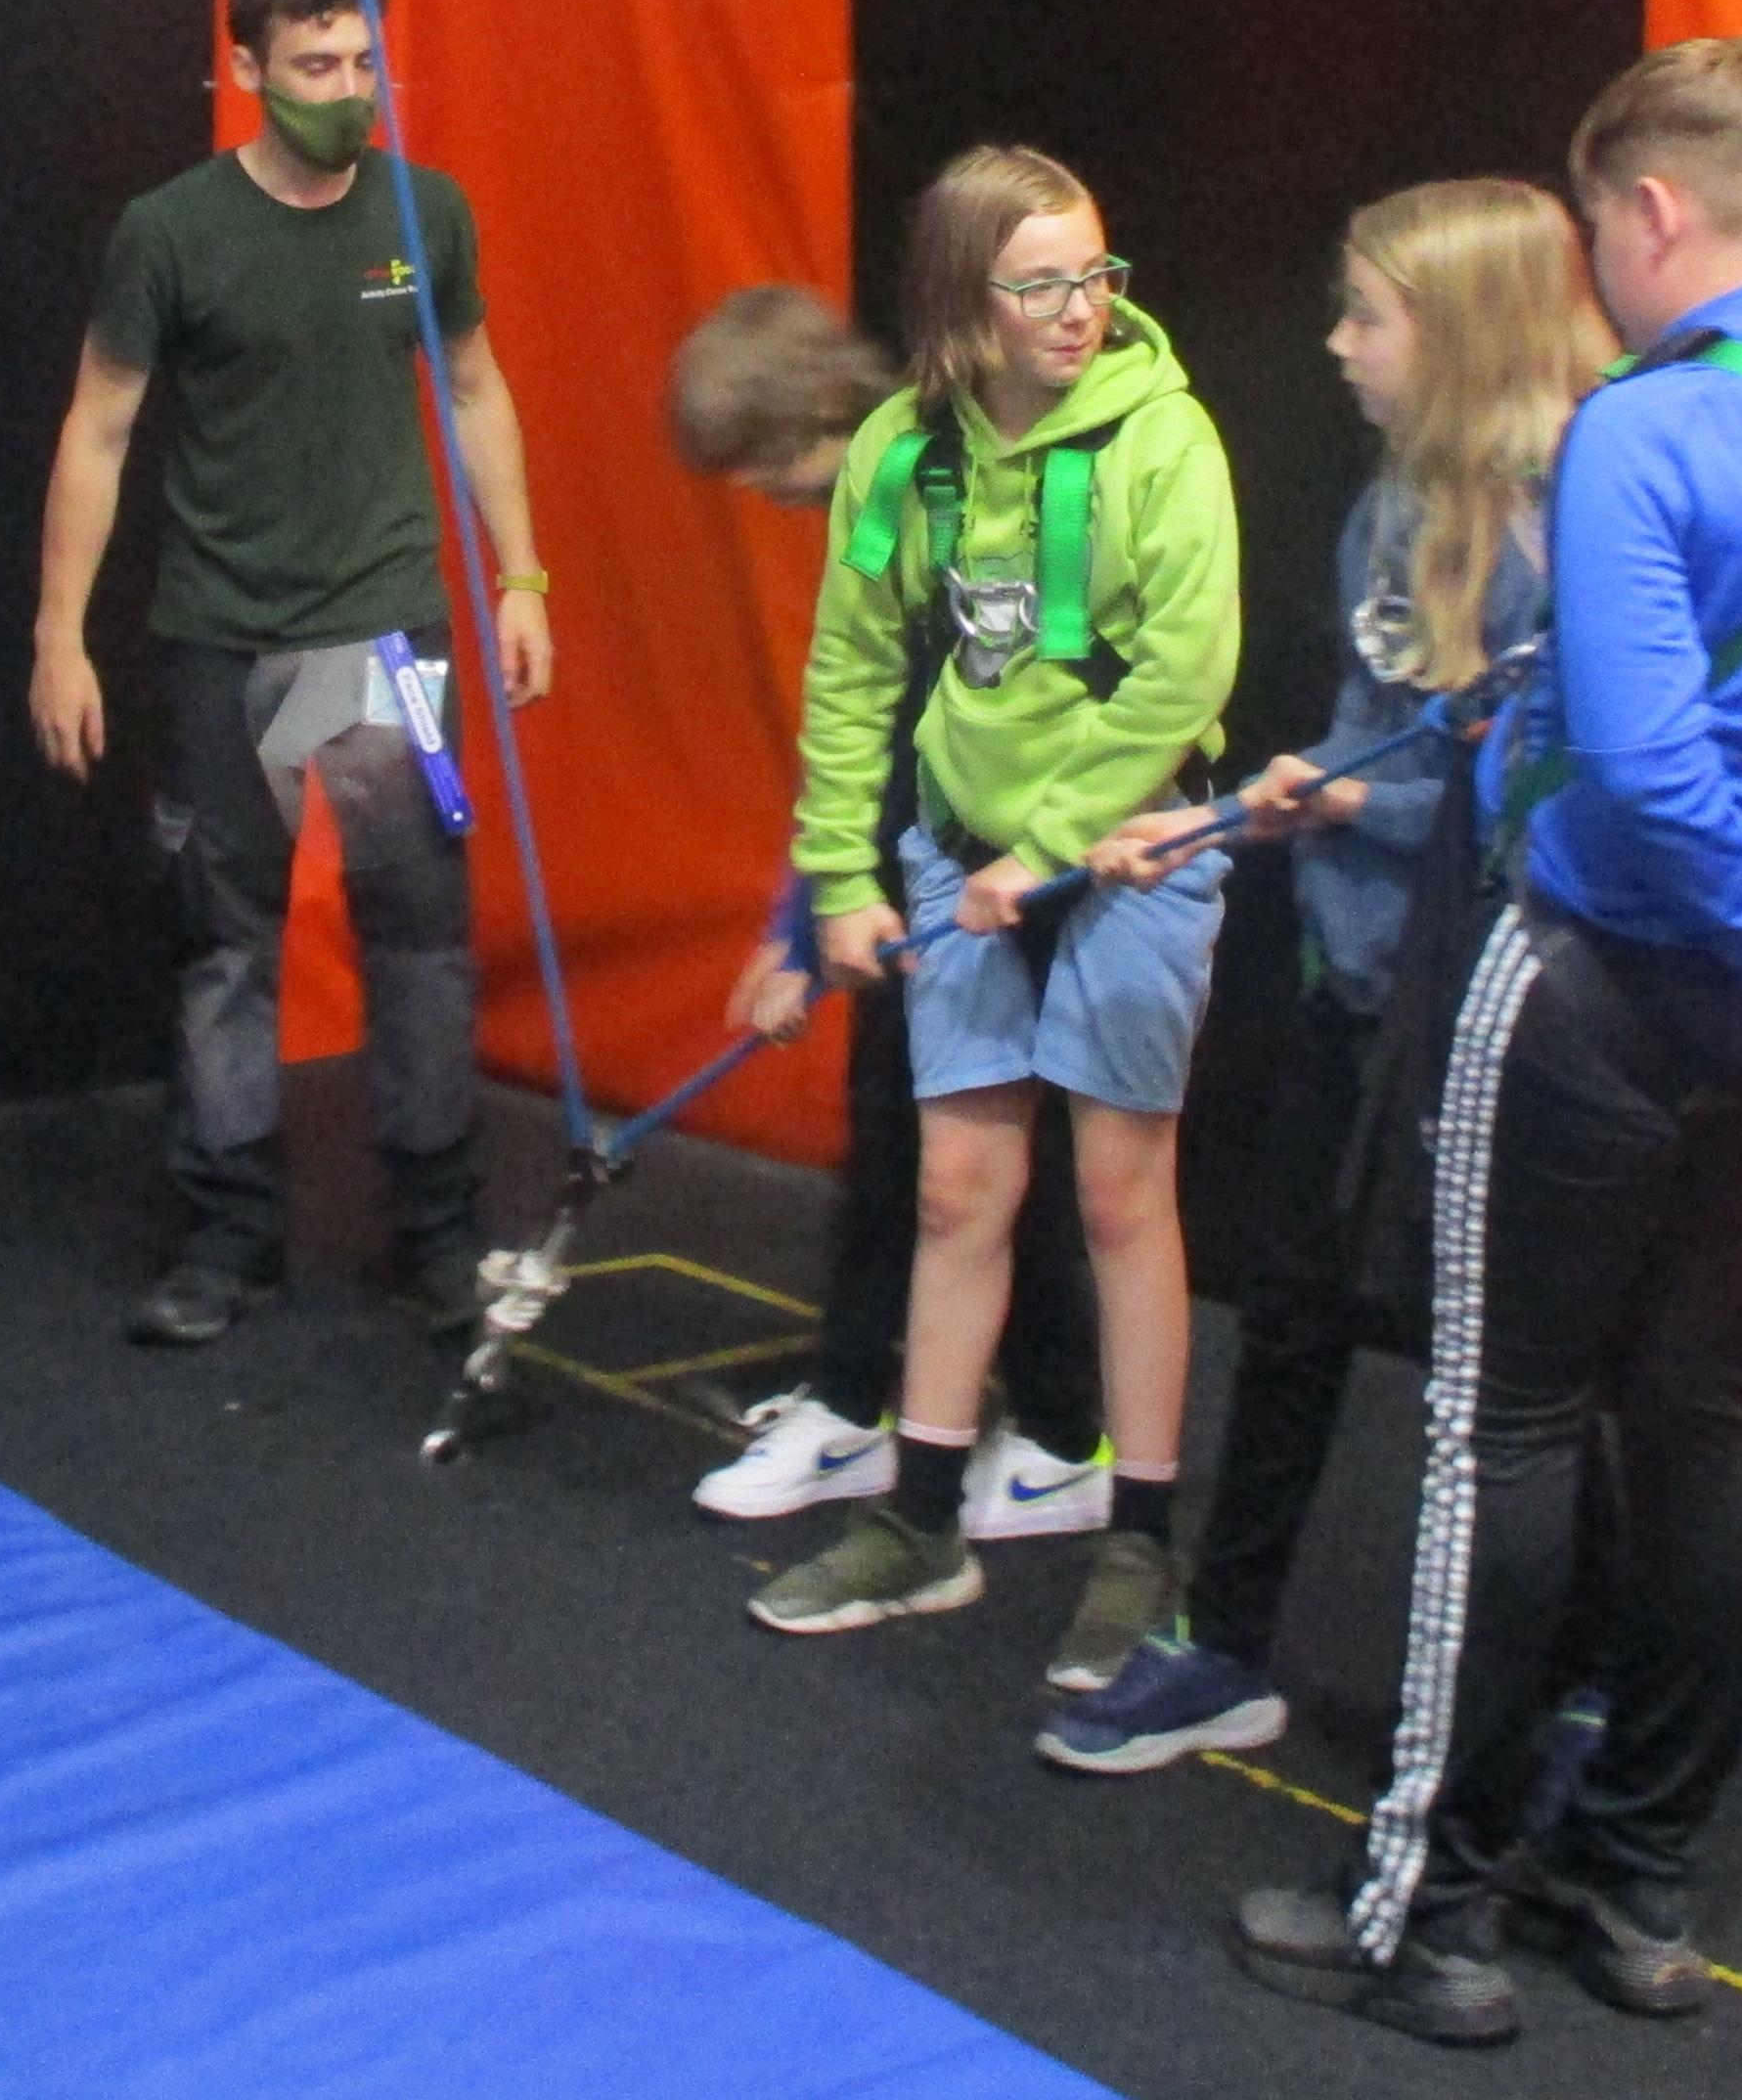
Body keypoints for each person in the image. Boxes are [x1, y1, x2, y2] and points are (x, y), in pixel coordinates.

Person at [1235, 42, 1742, 2049]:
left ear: (1653, 209)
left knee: (1496, 1428)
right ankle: (1636, 1882)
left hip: (1597, 986)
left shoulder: (1643, 432)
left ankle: (1427, 1913)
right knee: (1702, 1421)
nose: (1593, 258)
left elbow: (1653, 768)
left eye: (1598, 222)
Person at [1040, 178, 1596, 1777]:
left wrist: (1361, 806)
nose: (1338, 344)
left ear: (1462, 332)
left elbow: (1550, 797)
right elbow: (1373, 731)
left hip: (1493, 1013)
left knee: (1510, 1380)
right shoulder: (1390, 508)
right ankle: (1223, 1644)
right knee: (1289, 1311)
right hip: (1350, 984)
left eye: (1368, 316)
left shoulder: (1574, 528)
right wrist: (1264, 808)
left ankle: (1552, 1699)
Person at [746, 151, 1240, 1730]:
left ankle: (1139, 1535)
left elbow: (1185, 671)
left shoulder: (1163, 436)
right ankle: (920, 1518)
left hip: (1129, 858)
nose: (1079, 308)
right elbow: (851, 666)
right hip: (958, 860)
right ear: (966, 299)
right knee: (957, 1187)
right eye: (1040, 284)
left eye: (1095, 273)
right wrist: (841, 872)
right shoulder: (903, 453)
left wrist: (1049, 849)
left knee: (1118, 1193)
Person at [33, 0, 555, 1350]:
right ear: (247, 70)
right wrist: (57, 635)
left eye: (364, 62)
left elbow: (475, 387)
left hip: (387, 635)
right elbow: (97, 430)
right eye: (317, 66)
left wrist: (521, 575)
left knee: (421, 937)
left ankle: (439, 1235)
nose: (347, 89)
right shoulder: (171, 232)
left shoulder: (423, 212)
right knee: (226, 944)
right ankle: (228, 1237)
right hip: (223, 639)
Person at [669, 289, 1115, 1546]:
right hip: (923, 879)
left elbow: (949, 725)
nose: (754, 490)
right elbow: (854, 730)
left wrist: (841, 921)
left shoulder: (951, 499)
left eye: (763, 458)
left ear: (821, 408)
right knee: (896, 1154)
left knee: (992, 1168)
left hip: (998, 879)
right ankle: (860, 1400)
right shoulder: (878, 499)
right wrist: (802, 922)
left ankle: (1055, 1439)